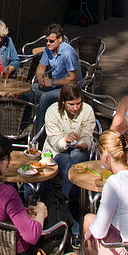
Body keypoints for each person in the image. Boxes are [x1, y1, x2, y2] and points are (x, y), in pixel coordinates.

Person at [44, 82, 96, 237]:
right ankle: (73, 202)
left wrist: (83, 144)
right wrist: (66, 140)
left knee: (76, 157)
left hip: (79, 152)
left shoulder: (87, 111)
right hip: (57, 151)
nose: (75, 108)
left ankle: (65, 198)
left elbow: (88, 137)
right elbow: (54, 142)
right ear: (63, 103)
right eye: (71, 104)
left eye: (78, 103)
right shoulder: (53, 111)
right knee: (66, 160)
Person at [31, 25, 80, 132]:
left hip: (69, 88)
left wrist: (52, 81)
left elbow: (73, 78)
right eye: (47, 41)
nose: (48, 43)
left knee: (45, 97)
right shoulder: (49, 50)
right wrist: (40, 78)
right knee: (29, 91)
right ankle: (24, 127)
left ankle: (39, 136)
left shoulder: (68, 53)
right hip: (55, 85)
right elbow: (41, 67)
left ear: (60, 39)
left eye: (51, 41)